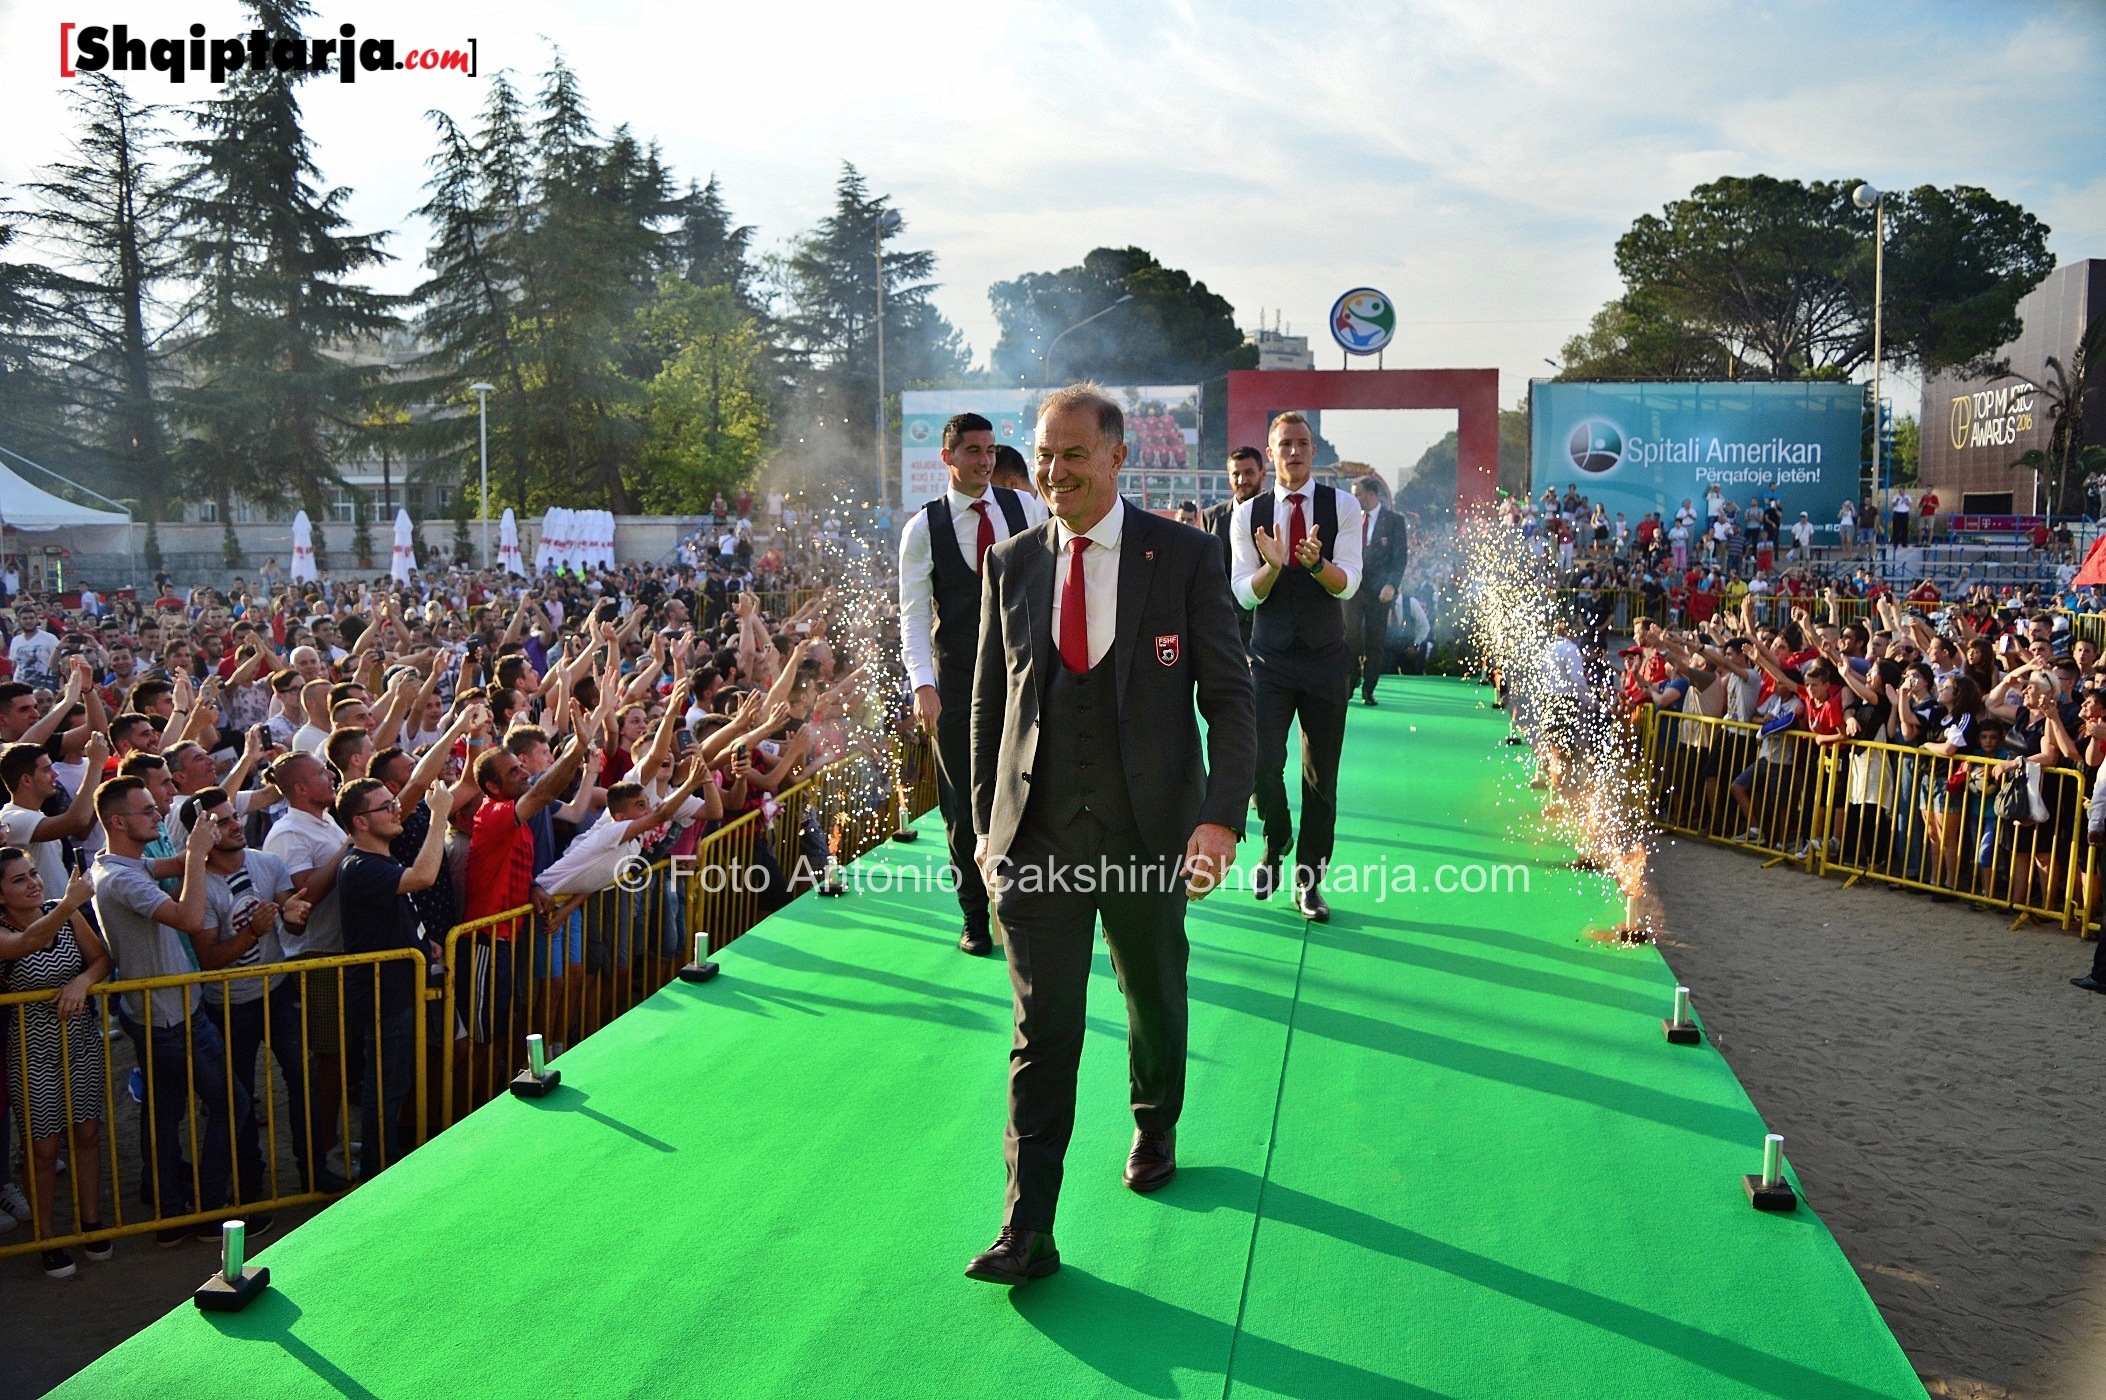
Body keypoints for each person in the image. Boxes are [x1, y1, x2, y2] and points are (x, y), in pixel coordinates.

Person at [963, 382, 1254, 1287]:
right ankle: (1028, 1228)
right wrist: (985, 833)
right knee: (1042, 1028)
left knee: (1151, 995)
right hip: (1038, 839)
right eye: (1044, 455)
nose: (1053, 472)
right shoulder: (1009, 563)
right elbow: (986, 709)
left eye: (1073, 455)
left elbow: (1230, 700)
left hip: (1147, 835)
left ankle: (1155, 1114)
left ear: (1118, 457)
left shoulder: (1186, 558)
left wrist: (1217, 819)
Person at [92, 776, 272, 1241]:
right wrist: (196, 854)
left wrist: (203, 845)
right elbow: (191, 919)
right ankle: (211, 1214)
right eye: (148, 811)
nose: (158, 816)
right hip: (172, 1017)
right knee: (231, 1104)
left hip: (156, 1010)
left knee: (165, 1112)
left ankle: (170, 1214)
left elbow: (170, 865)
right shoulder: (121, 878)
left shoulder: (120, 863)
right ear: (117, 821)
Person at [897, 411, 1047, 957]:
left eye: (990, 451)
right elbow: (913, 615)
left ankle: (1028, 903)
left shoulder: (1026, 508)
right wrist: (922, 685)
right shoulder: (922, 528)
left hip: (1022, 673)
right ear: (948, 458)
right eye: (973, 452)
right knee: (963, 805)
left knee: (1034, 788)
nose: (984, 461)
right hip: (955, 682)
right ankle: (973, 916)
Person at [1228, 410, 1364, 920]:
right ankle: (1277, 840)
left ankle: (1310, 880)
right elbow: (1243, 596)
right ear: (1270, 452)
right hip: (1269, 659)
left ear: (1314, 450)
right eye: (1285, 443)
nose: (1294, 451)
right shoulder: (1249, 514)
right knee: (1261, 762)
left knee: (1320, 775)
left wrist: (1313, 564)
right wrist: (1272, 565)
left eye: (1303, 442)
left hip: (1328, 658)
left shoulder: (1343, 506)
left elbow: (1348, 582)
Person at [333, 774, 454, 1181]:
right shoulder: (359, 865)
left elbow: (396, 911)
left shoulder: (376, 860)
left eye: (393, 802)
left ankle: (385, 1166)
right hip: (386, 997)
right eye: (385, 806)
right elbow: (422, 878)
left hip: (400, 989)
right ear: (360, 822)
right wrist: (439, 817)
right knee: (385, 1091)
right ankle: (376, 1179)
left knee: (394, 1086)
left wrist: (424, 944)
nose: (396, 808)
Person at [0, 853, 108, 1278]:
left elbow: (101, 959)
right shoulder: (28, 922)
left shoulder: (61, 913)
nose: (32, 884)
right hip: (31, 1051)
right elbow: (24, 945)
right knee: (43, 1149)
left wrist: (82, 981)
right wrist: (67, 903)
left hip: (79, 1043)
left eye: (33, 874)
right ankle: (47, 1237)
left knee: (87, 1133)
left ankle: (91, 1223)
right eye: (18, 880)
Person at [1349, 474, 1408, 707]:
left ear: (1372, 495)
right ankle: (1351, 678)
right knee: (1349, 636)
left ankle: (1369, 688)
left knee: (1375, 640)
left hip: (1379, 590)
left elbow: (1400, 557)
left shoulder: (1394, 521)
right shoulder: (1350, 518)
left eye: (1358, 495)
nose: (1354, 500)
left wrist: (1392, 584)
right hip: (1353, 587)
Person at [1202, 447, 1267, 655]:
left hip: (1266, 622)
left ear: (1262, 474)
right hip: (1224, 623)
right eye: (1236, 474)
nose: (1242, 480)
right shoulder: (1211, 517)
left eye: (1248, 473)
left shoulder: (1277, 513)